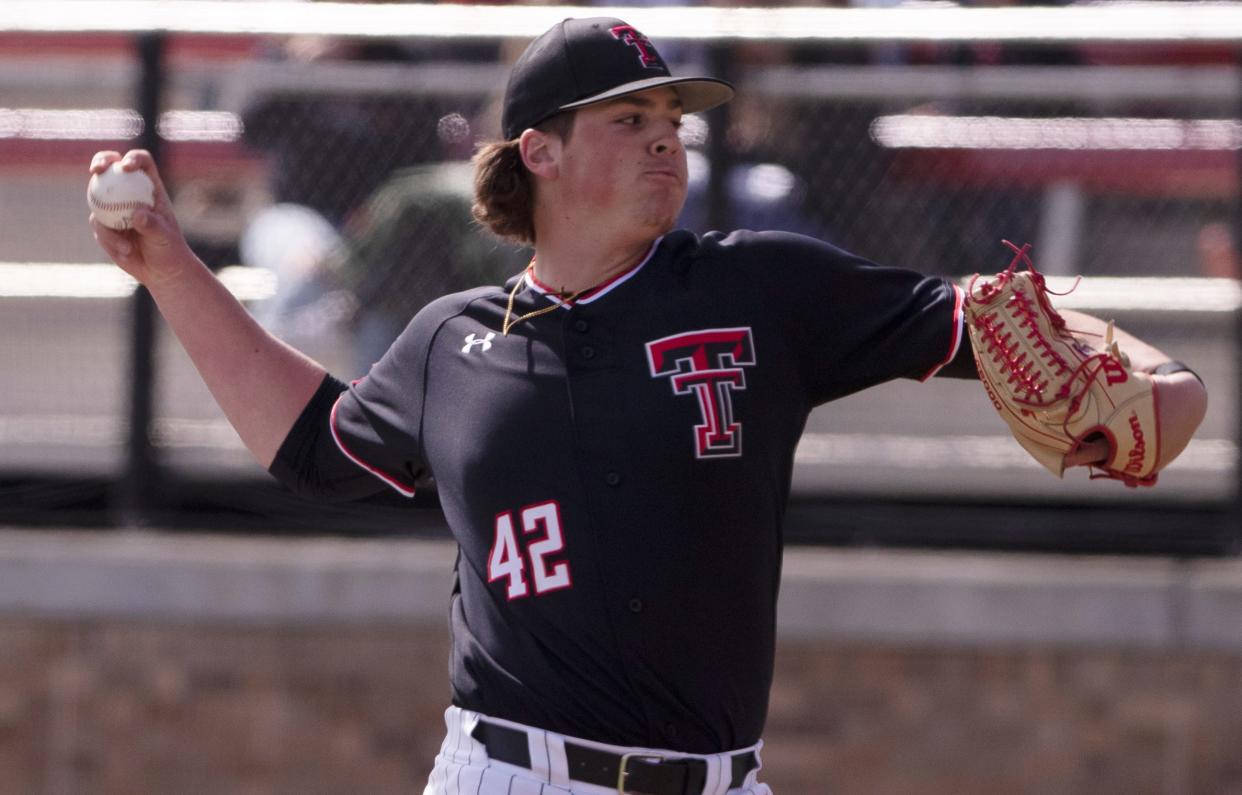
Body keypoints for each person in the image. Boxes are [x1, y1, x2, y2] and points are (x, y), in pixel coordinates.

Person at [89, 17, 1207, 795]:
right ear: (541, 151)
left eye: (673, 114)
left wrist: (1162, 377)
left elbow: (981, 318)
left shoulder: (762, 286)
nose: (668, 134)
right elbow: (315, 447)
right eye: (628, 118)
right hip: (508, 773)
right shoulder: (451, 341)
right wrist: (175, 273)